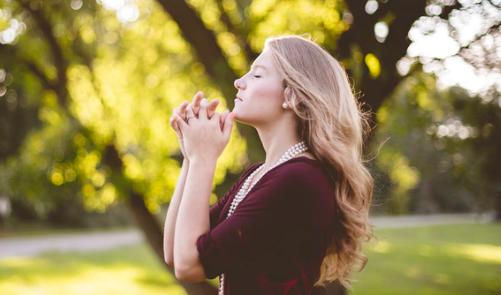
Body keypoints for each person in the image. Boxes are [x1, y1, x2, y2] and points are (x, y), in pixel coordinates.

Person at [164, 35, 374, 294]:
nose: (239, 82)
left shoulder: (298, 179)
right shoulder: (261, 174)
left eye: (257, 75)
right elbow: (175, 252)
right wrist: (191, 154)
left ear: (293, 96)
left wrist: (203, 159)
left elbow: (190, 265)